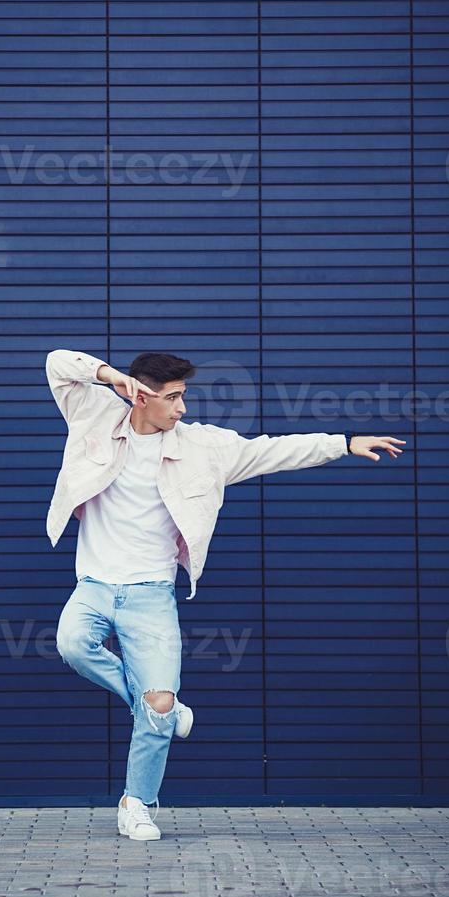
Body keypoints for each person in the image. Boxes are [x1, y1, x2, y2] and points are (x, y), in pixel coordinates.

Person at [46, 348, 406, 840]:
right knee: (73, 645)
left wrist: (343, 443)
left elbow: (272, 451)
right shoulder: (95, 415)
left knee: (160, 702)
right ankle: (160, 713)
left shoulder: (204, 447)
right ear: (141, 395)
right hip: (94, 584)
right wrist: (109, 377)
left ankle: (137, 803)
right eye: (172, 398)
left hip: (152, 593)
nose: (182, 408)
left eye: (182, 397)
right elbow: (57, 363)